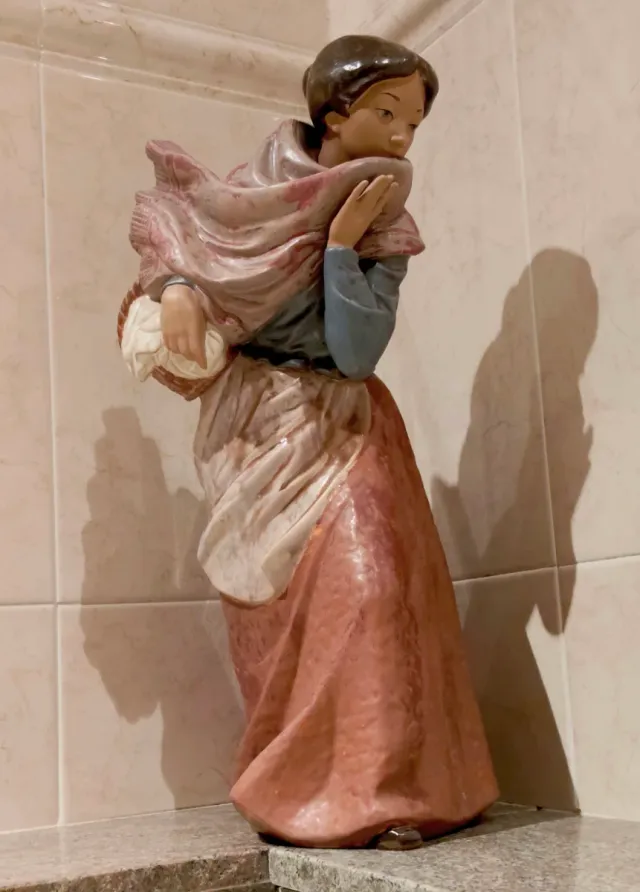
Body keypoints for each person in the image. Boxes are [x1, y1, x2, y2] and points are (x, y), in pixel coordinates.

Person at [119, 34, 498, 850]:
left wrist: (340, 249)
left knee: (374, 587)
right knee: (273, 611)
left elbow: (357, 353)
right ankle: (297, 788)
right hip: (251, 427)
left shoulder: (383, 220)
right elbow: (186, 244)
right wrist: (176, 286)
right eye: (387, 114)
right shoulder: (250, 196)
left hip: (345, 422)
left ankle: (389, 789)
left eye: (413, 124)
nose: (401, 137)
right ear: (333, 114)